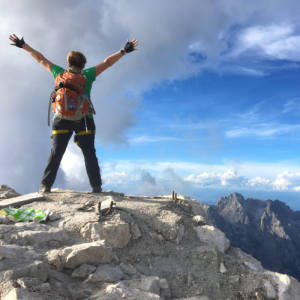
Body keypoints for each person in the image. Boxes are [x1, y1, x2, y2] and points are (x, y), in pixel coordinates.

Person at [9, 34, 138, 193]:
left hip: (60, 118)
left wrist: (23, 45)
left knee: (56, 152)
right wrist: (124, 51)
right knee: (89, 152)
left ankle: (45, 186)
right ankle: (96, 188)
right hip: (84, 119)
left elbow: (40, 59)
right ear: (83, 64)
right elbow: (107, 63)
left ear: (68, 64)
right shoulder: (88, 74)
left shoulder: (59, 73)